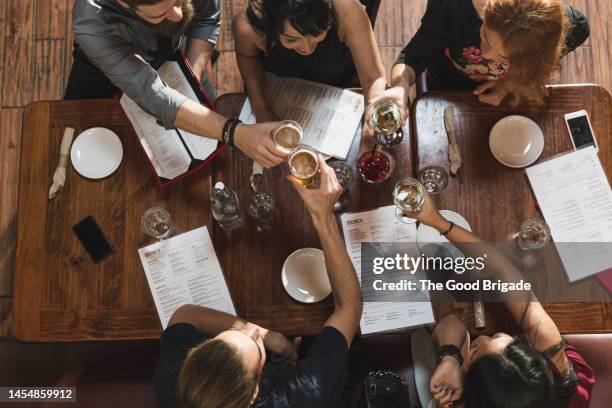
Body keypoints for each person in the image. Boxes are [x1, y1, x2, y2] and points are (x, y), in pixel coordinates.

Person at [153, 155, 363, 408]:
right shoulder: (304, 394)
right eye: (254, 342)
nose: (252, 329)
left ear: (190, 359)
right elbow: (350, 307)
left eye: (228, 335)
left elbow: (184, 315)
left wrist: (266, 337)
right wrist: (323, 217)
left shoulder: (171, 382)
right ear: (254, 394)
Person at [407, 192, 595, 408]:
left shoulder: (455, 401)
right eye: (506, 340)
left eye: (476, 352)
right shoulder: (558, 364)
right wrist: (439, 223)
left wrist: (449, 359)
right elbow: (502, 271)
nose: (481, 339)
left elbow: (451, 322)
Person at [66, 0, 287, 169]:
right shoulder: (91, 22)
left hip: (175, 54)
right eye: (162, 12)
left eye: (180, 1)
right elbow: (150, 92)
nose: (178, 15)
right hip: (104, 75)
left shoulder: (174, 13)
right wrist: (234, 132)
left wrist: (190, 77)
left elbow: (207, 18)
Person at [377, 0, 590, 118]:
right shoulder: (451, 8)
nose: (486, 55)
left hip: (512, 94)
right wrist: (400, 86)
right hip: (445, 85)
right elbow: (413, 56)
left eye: (502, 55)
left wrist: (509, 84)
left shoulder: (567, 26)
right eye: (485, 38)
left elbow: (580, 30)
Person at [231, 0, 386, 135]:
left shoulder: (345, 7)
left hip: (340, 80)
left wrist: (372, 122)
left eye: (317, 33)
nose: (306, 47)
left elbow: (374, 78)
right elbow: (247, 56)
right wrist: (260, 107)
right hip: (281, 86)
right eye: (291, 39)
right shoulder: (249, 25)